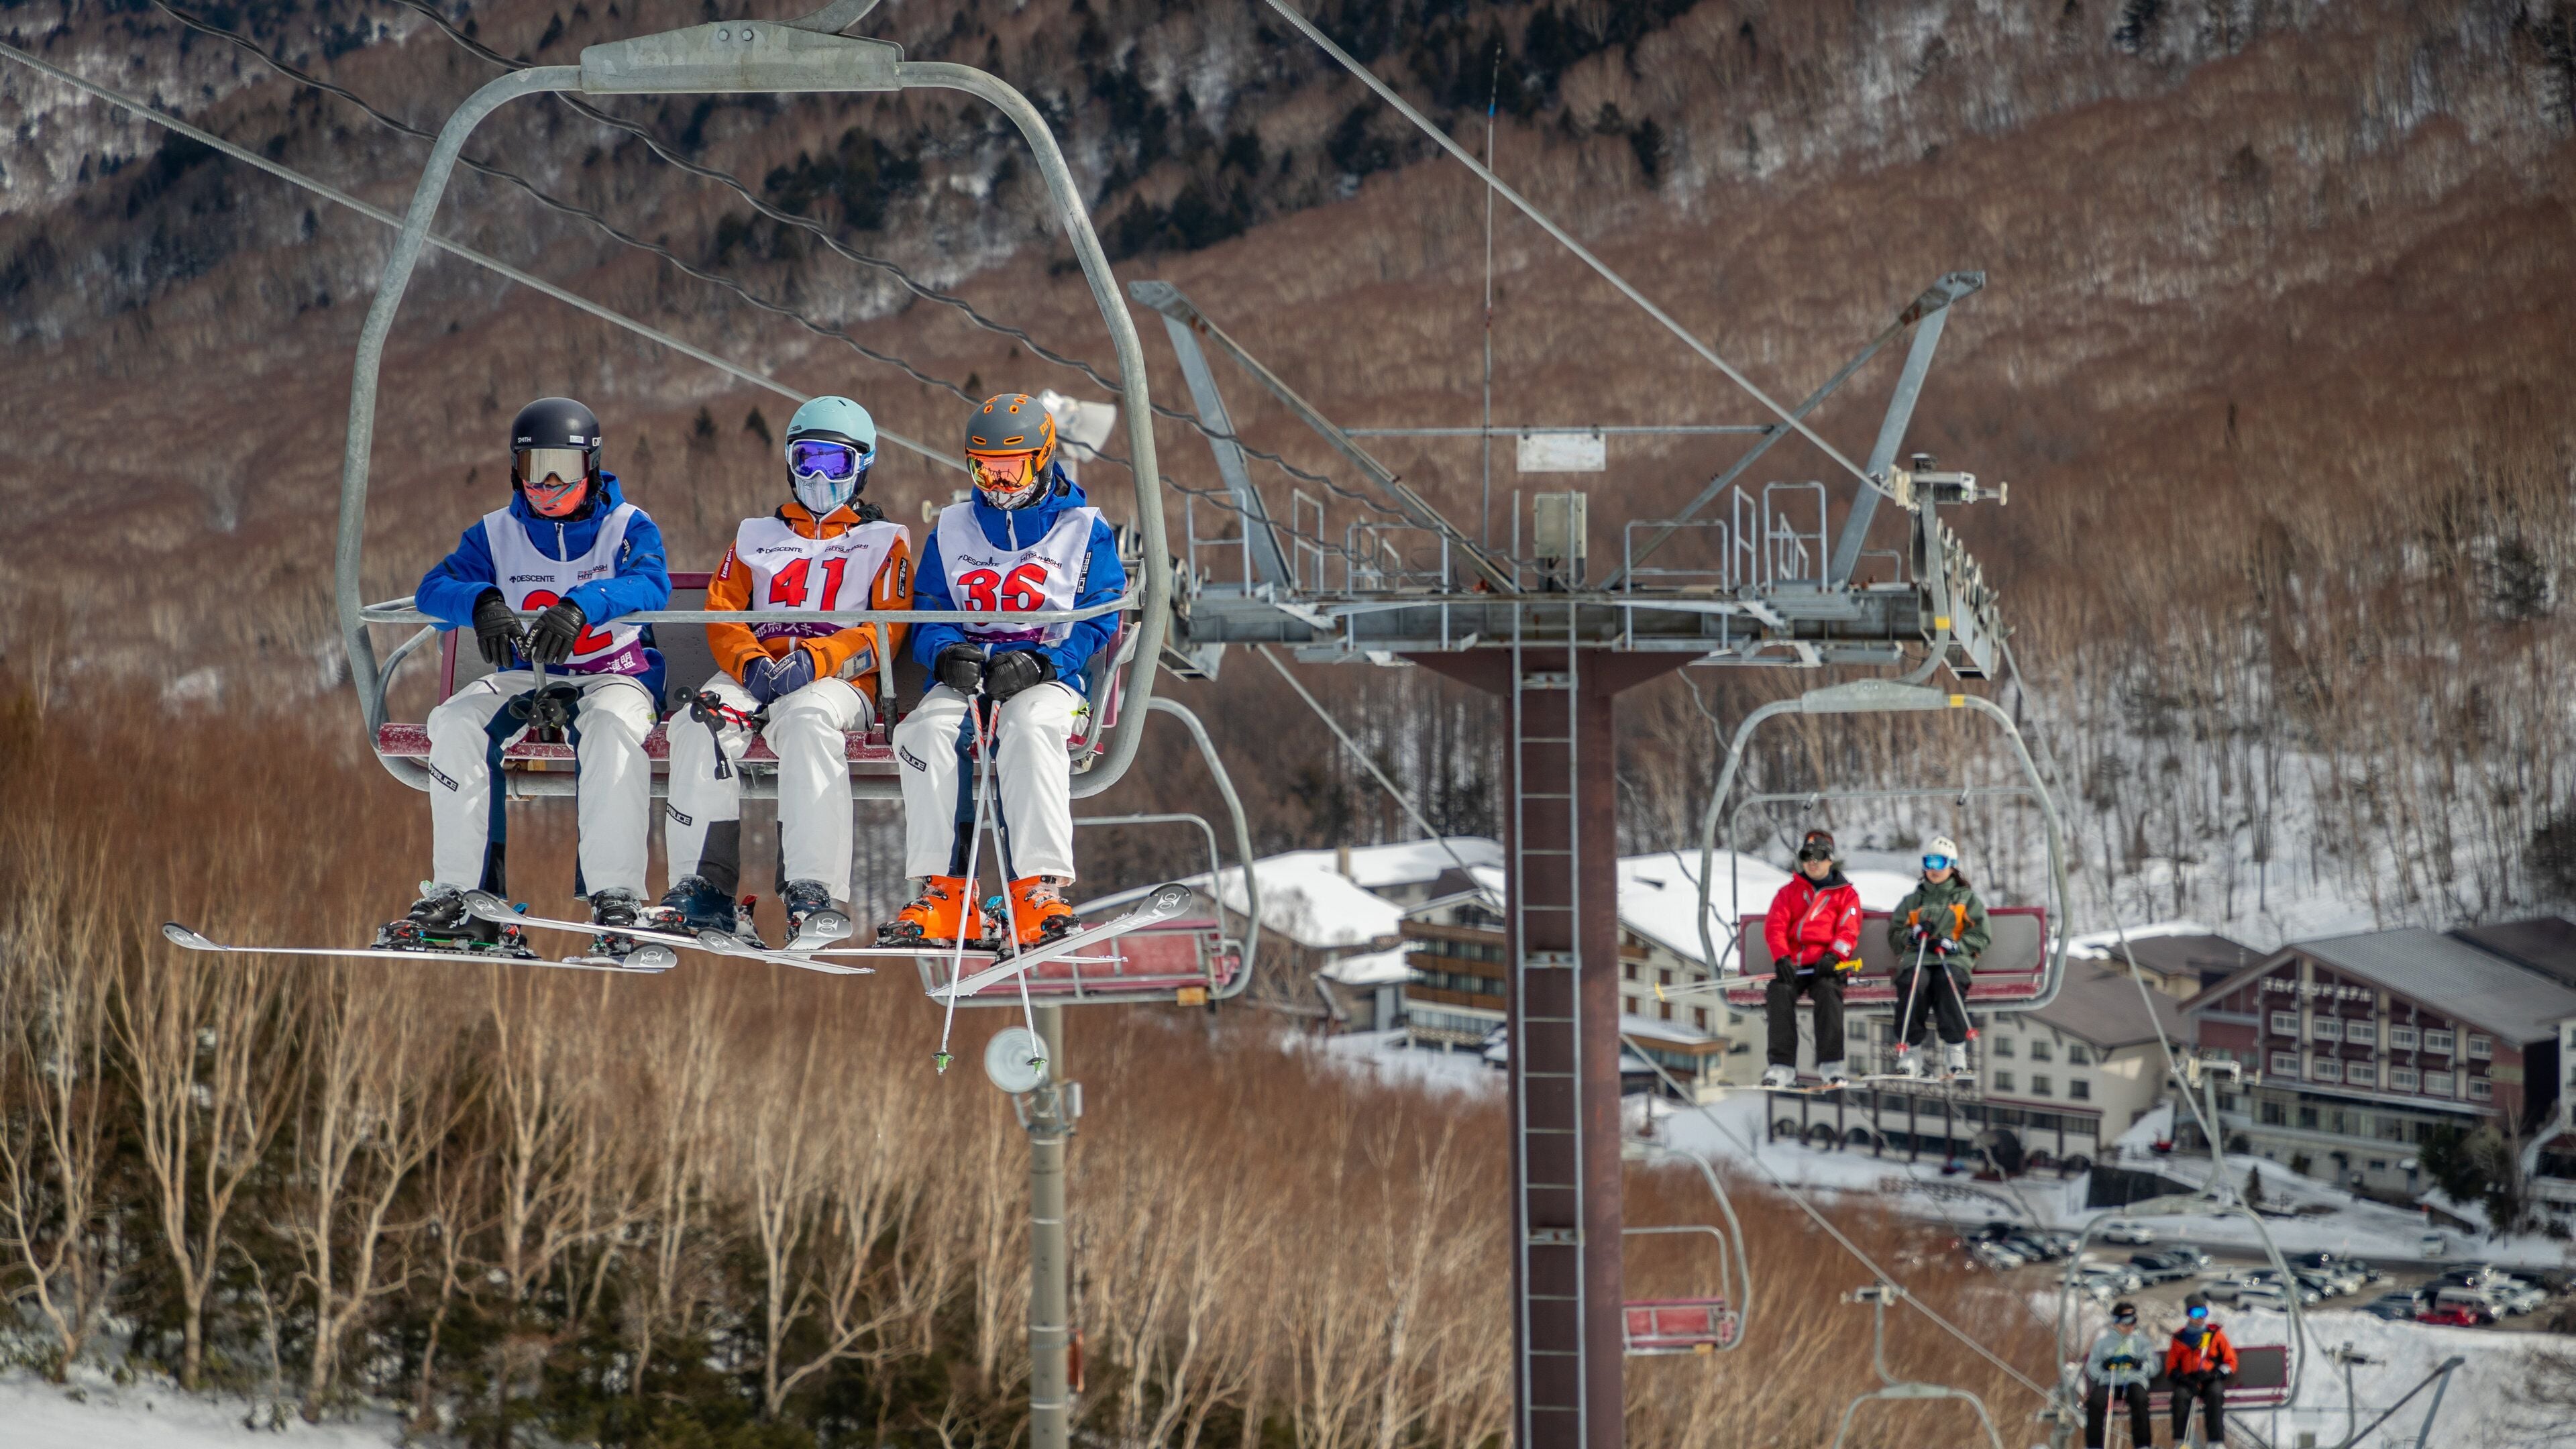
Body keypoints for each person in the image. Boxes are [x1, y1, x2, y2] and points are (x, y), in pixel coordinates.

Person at [381, 397, 672, 954]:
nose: (548, 486)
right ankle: (464, 897)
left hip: (613, 673)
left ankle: (617, 897)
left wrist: (584, 605)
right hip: (529, 675)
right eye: (536, 469)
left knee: (611, 729)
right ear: (516, 470)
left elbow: (651, 584)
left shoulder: (625, 525)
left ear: (591, 466)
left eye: (563, 470)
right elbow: (432, 591)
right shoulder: (496, 533)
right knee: (456, 721)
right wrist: (481, 601)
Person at [657, 396, 912, 941]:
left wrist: (819, 659)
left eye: (835, 463)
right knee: (698, 722)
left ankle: (811, 886)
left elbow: (888, 629)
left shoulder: (883, 542)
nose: (819, 477)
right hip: (759, 670)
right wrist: (749, 662)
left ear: (862, 467)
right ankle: (704, 886)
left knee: (806, 720)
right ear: (790, 464)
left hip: (838, 681)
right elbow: (723, 611)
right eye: (807, 460)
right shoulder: (755, 536)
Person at [879, 394, 1125, 949]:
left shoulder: (1082, 529)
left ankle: (1038, 889)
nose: (998, 484)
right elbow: (929, 609)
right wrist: (945, 654)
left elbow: (1100, 614)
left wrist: (1046, 661)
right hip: (971, 678)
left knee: (1028, 726)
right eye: (984, 469)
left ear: (1042, 459)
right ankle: (945, 893)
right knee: (924, 731)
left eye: (1011, 469)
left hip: (1049, 678)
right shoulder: (954, 527)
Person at [1758, 828, 1864, 1089]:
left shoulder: (1845, 894)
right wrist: (1782, 957)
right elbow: (1775, 927)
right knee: (1779, 991)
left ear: (1830, 859)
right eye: (1807, 856)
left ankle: (1831, 1064)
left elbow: (1848, 930)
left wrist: (1834, 956)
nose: (1813, 862)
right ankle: (1782, 1066)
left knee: (1828, 992)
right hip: (1795, 965)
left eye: (1819, 856)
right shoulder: (1789, 893)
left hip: (1825, 966)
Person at [1886, 834, 1992, 1080]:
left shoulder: (1965, 899)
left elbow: (1981, 934)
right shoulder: (1913, 901)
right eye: (1929, 863)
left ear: (1952, 866)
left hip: (1950, 959)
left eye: (1940, 863)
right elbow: (1895, 934)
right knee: (1914, 984)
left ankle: (1955, 1048)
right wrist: (1912, 935)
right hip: (1918, 959)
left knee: (1948, 983)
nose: (1933, 869)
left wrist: (1956, 945)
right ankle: (1910, 1050)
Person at [2163, 1293, 2237, 1448]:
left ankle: (2215, 1442)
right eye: (2195, 1313)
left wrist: (2216, 1374)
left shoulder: (2215, 1335)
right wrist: (2182, 1378)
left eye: (2203, 1313)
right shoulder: (2179, 1338)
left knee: (2215, 1395)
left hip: (2209, 1379)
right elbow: (2171, 1365)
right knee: (2180, 1397)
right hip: (2189, 1380)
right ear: (2188, 1314)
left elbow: (2230, 1361)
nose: (2200, 1318)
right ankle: (2183, 1441)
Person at [2084, 1300, 2155, 1449]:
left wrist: (2140, 1365)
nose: (2129, 1326)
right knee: (2095, 1402)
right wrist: (2104, 1367)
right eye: (2125, 1322)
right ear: (2116, 1322)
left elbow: (2154, 1366)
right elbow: (2092, 1369)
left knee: (2140, 1400)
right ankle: (2094, 1445)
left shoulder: (2142, 1342)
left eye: (2132, 1321)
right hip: (2110, 1381)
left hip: (2134, 1380)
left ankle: (2143, 1445)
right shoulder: (2103, 1344)